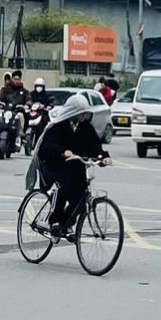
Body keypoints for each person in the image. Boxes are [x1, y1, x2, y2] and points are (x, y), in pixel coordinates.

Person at [33, 88, 115, 236]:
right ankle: (55, 221)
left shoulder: (86, 127)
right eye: (82, 113)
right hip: (55, 164)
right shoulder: (58, 126)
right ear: (73, 112)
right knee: (64, 187)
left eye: (86, 113)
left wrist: (103, 157)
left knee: (82, 197)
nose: (84, 116)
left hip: (75, 165)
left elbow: (94, 146)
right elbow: (47, 147)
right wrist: (62, 152)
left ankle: (66, 223)